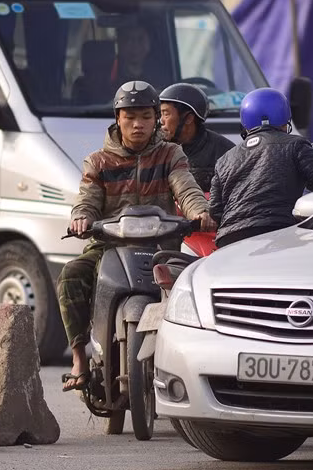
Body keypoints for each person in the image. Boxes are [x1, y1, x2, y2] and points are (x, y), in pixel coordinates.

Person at [58, 80, 215, 391]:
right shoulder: (98, 161)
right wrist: (81, 218)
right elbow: (87, 198)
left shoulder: (171, 154)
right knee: (70, 276)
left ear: (156, 118)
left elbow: (186, 188)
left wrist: (199, 212)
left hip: (161, 246)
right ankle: (78, 357)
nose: (137, 124)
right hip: (108, 247)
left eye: (145, 116)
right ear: (118, 119)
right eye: (130, 117)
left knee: (196, 286)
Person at [210, 87, 313, 248]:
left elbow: (215, 210)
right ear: (285, 120)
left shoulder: (224, 160)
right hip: (276, 235)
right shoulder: (294, 145)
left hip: (229, 240)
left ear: (245, 123)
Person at [160, 82, 235, 192]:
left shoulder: (226, 154)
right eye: (160, 114)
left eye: (166, 114)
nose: (161, 120)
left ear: (188, 119)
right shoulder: (155, 148)